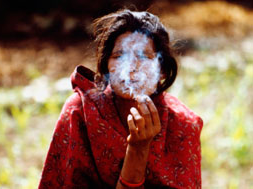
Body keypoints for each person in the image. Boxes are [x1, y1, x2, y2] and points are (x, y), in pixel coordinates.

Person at [39, 9, 203, 189]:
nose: (131, 68)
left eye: (143, 56)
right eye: (119, 56)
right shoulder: (80, 112)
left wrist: (139, 148)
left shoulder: (182, 124)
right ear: (107, 66)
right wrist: (137, 149)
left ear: (162, 70)